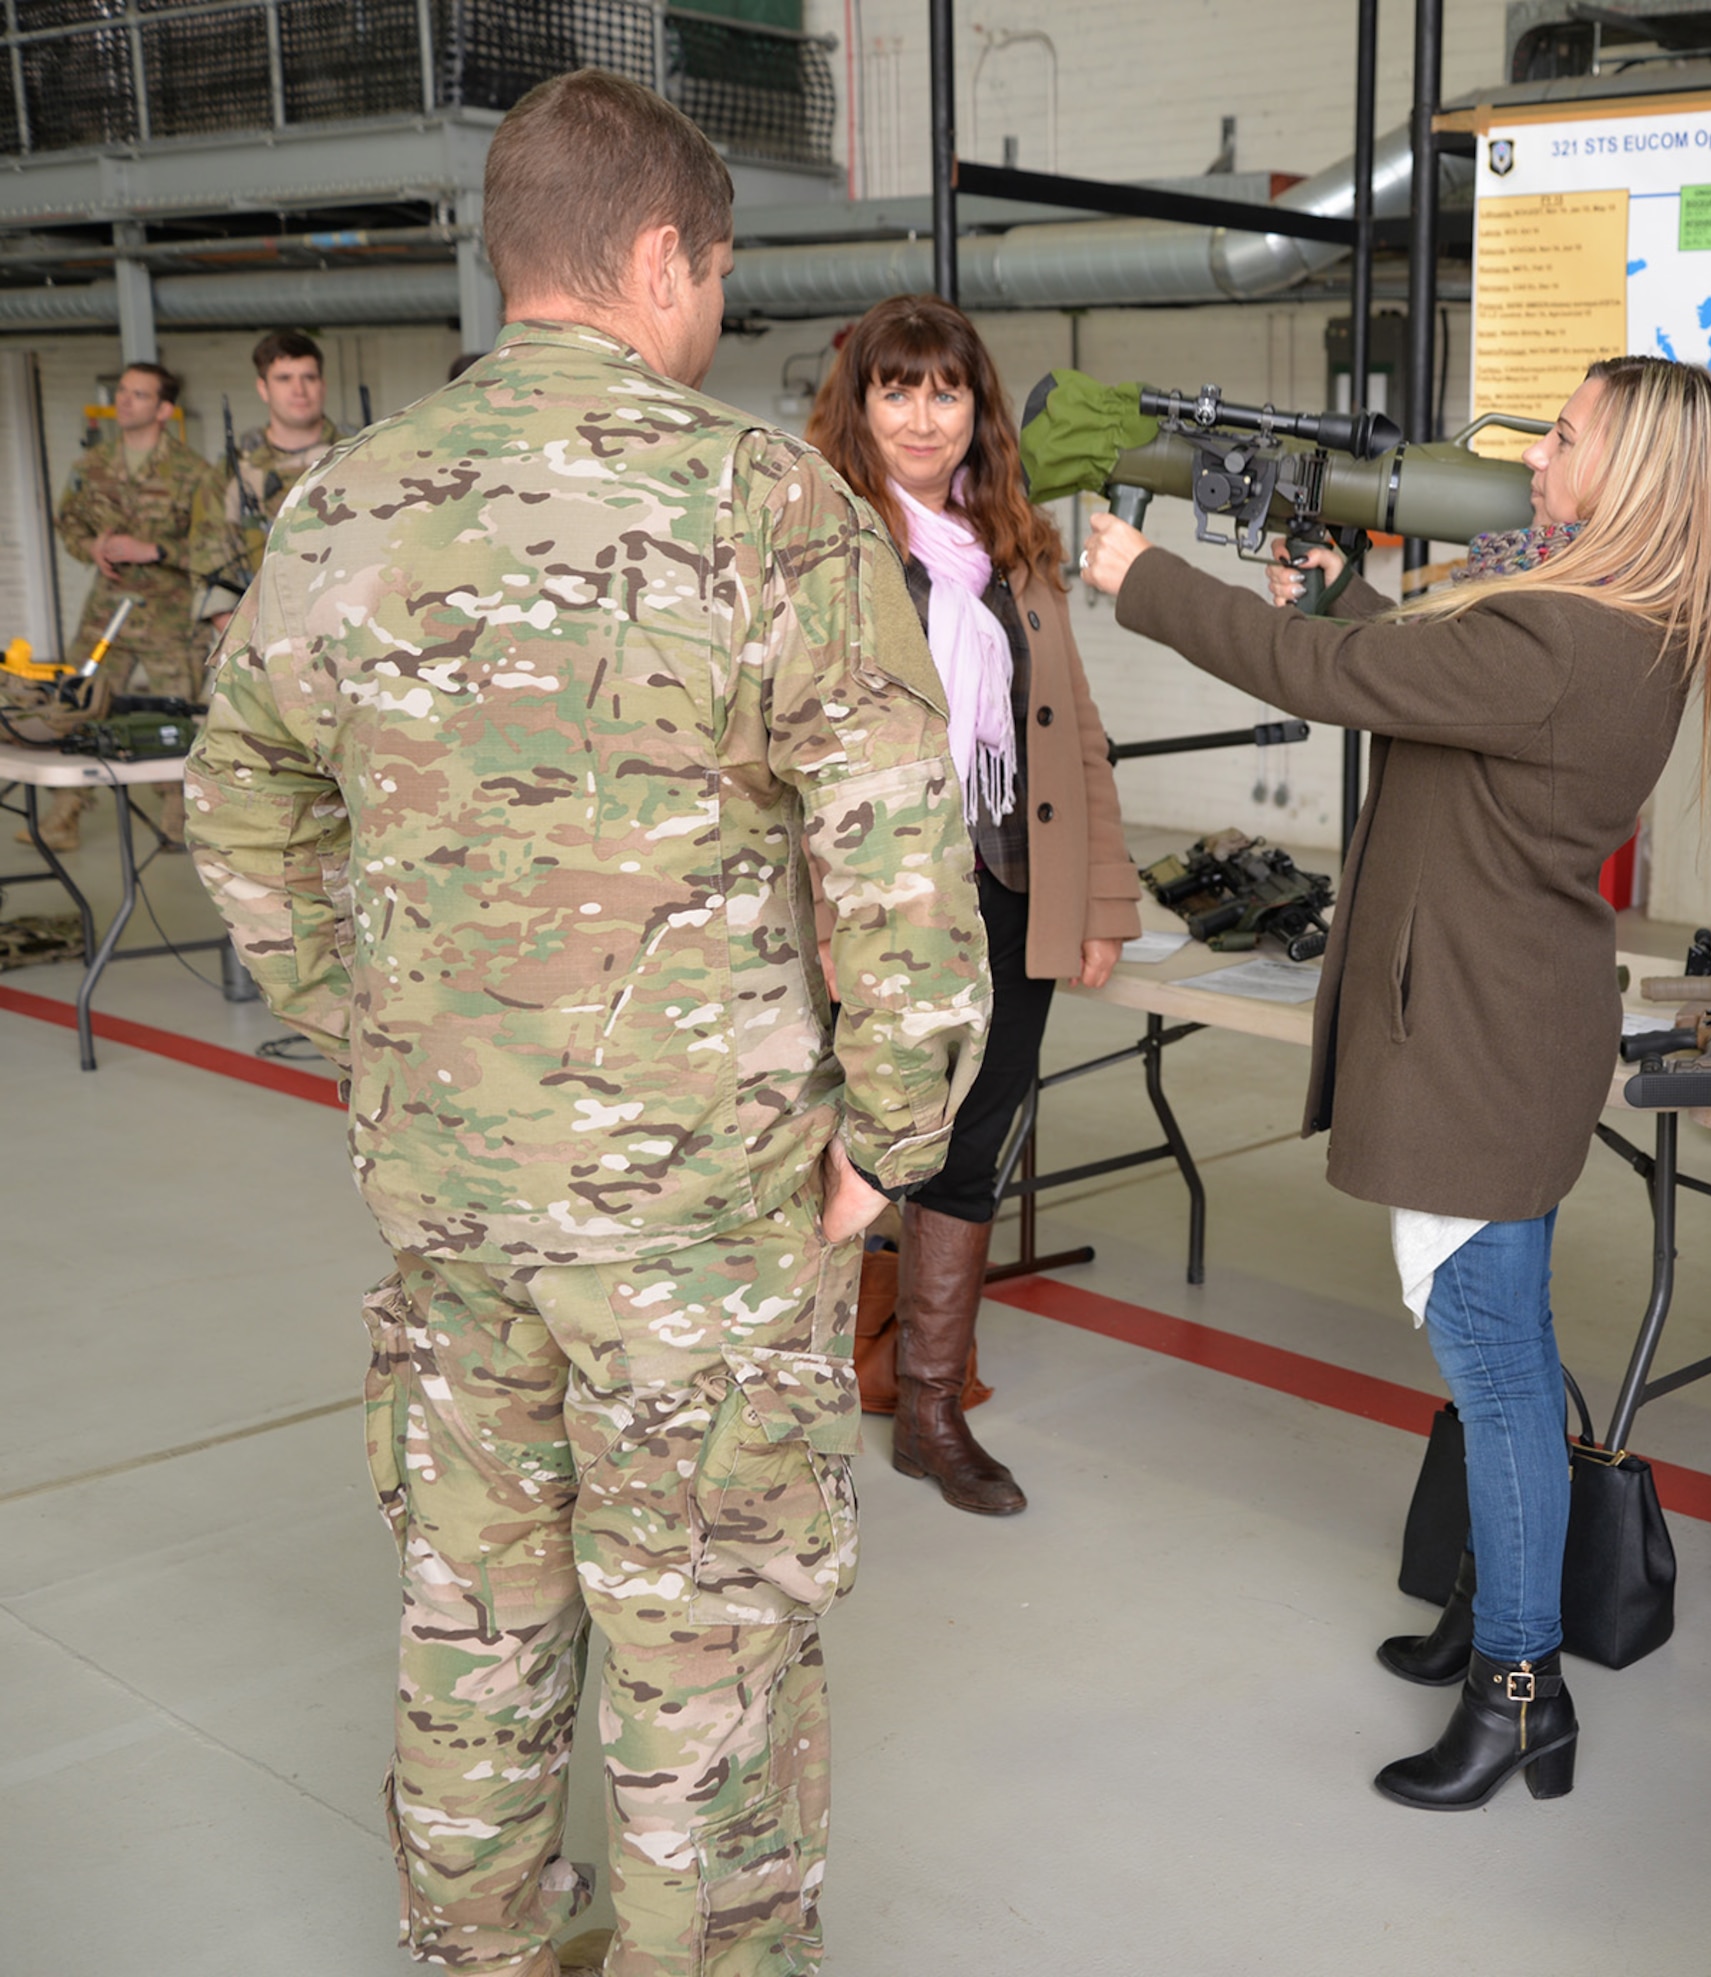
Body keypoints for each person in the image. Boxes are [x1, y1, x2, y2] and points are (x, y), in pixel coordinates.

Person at [184, 71, 989, 1977]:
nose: (714, 305)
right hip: (700, 1213)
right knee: (704, 1638)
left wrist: (382, 1029)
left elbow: (240, 803)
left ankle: (477, 1947)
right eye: (715, 271)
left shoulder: (344, 501)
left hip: (451, 1192)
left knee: (476, 1612)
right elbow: (899, 862)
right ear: (657, 255)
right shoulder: (768, 504)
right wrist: (892, 1137)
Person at [1080, 355, 1711, 1809]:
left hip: (1477, 1041)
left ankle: (1520, 1692)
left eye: (1564, 435)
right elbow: (1425, 686)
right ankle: (1488, 1602)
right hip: (1506, 1027)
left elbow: (1337, 684)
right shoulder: (1614, 624)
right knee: (1505, 1349)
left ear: (1631, 473)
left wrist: (1147, 579)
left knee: (1495, 1370)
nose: (1536, 455)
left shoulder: (1564, 632)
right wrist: (1340, 594)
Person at [806, 295, 1141, 1516]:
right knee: (830, 1144)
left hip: (1001, 888)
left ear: (975, 409)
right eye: (895, 390)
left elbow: (1074, 731)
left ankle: (930, 1410)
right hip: (867, 904)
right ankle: (786, 1404)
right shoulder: (820, 540)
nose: (921, 417)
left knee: (969, 1145)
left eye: (944, 392)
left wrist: (1096, 901)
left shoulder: (1014, 545)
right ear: (859, 405)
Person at [31, 360, 212, 849]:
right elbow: (68, 522)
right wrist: (90, 547)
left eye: (139, 394)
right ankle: (64, 816)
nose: (124, 400)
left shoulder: (194, 473)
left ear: (164, 409)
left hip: (170, 620)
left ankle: (177, 823)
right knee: (75, 706)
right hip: (106, 614)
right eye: (123, 391)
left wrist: (153, 550)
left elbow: (215, 547)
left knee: (176, 722)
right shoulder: (92, 465)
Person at [189, 328, 347, 632]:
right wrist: (252, 644)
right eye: (284, 378)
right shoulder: (232, 475)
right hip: (260, 636)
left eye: (309, 377)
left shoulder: (359, 457)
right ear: (263, 388)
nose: (299, 390)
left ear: (323, 385)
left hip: (348, 632)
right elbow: (210, 568)